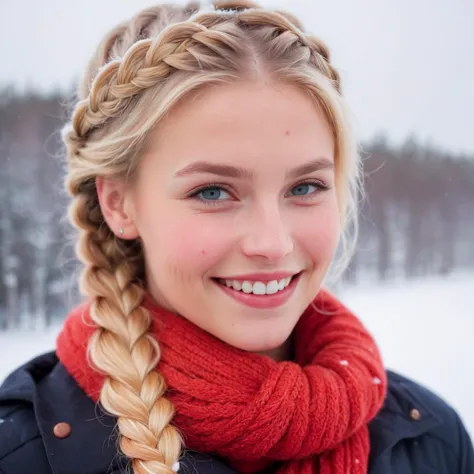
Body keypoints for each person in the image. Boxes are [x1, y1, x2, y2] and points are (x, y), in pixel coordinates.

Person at [0, 1, 472, 473]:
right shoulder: (23, 452)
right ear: (119, 203)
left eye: (305, 187)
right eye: (213, 191)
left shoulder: (430, 440)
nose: (273, 243)